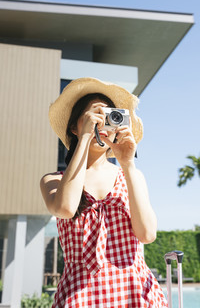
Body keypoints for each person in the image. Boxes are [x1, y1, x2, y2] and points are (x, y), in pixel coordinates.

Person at [40, 77, 168, 307]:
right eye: (95, 115)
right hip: (81, 296)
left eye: (109, 116)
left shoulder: (132, 176)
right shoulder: (53, 180)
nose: (102, 122)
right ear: (74, 126)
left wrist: (128, 162)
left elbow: (147, 234)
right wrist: (87, 136)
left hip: (135, 292)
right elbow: (65, 208)